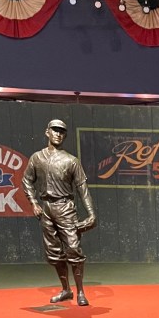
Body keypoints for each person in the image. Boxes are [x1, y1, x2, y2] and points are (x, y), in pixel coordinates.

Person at [22, 119, 97, 306]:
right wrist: (33, 202)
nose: (58, 134)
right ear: (47, 132)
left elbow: (82, 187)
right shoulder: (37, 158)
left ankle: (80, 292)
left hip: (65, 208)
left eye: (62, 131)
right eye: (54, 130)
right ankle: (66, 290)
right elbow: (26, 180)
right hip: (46, 208)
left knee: (73, 249)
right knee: (54, 253)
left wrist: (91, 214)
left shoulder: (71, 160)